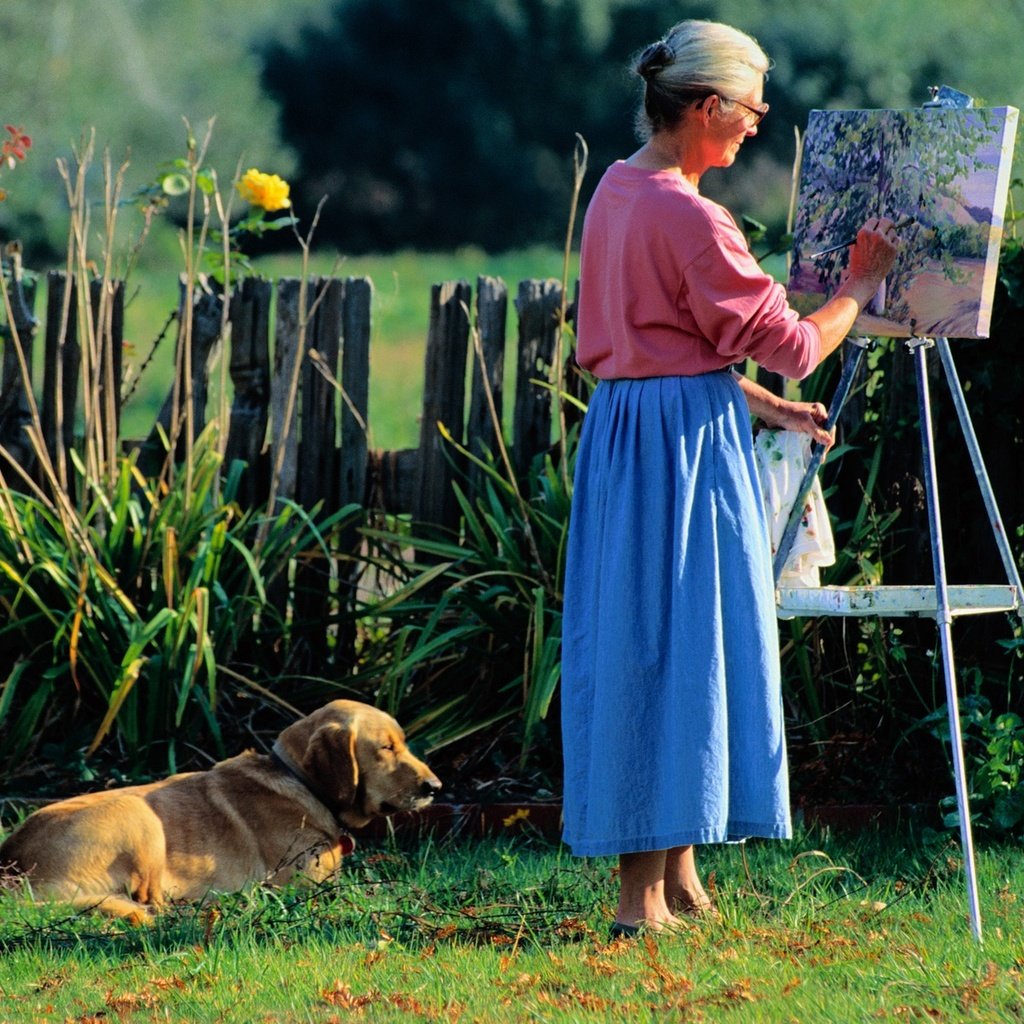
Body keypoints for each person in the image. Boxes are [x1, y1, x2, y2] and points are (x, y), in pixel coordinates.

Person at [560, 18, 898, 937]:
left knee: (665, 639)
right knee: (671, 650)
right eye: (750, 108)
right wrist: (860, 288)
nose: (757, 122)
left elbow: (664, 349)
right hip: (680, 454)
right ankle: (638, 902)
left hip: (639, 434)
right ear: (706, 106)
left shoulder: (619, 189)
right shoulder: (688, 212)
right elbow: (795, 342)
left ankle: (680, 879)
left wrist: (769, 409)